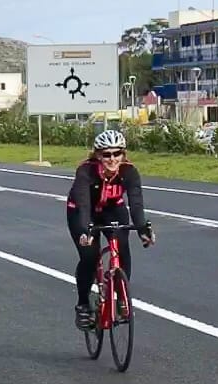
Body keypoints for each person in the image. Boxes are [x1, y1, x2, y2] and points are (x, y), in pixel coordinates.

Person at [66, 129, 155, 330]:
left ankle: (122, 296)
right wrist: (85, 231)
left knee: (122, 247)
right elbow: (83, 204)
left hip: (113, 209)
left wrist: (143, 229)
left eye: (117, 153)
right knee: (89, 256)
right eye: (106, 154)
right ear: (98, 155)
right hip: (82, 212)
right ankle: (83, 304)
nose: (112, 159)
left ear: (123, 154)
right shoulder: (86, 171)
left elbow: (136, 203)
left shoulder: (129, 171)